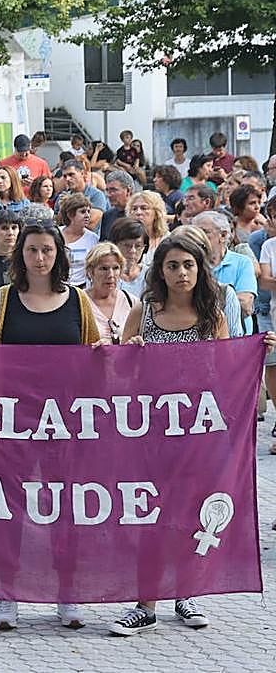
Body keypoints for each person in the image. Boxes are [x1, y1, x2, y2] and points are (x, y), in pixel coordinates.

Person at [109, 233, 243, 636]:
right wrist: (127, 351)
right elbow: (117, 371)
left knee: (190, 513)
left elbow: (225, 373)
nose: (181, 273)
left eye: (188, 265)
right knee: (150, 514)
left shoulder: (212, 316)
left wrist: (257, 350)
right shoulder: (144, 312)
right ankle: (145, 604)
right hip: (149, 432)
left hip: (197, 435)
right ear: (160, 272)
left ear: (200, 269)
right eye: (172, 266)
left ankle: (186, 593)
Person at [0, 223, 99, 631]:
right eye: (32, 250)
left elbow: (95, 357)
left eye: (47, 250)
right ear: (20, 255)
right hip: (12, 424)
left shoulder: (78, 302)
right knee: (8, 508)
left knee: (65, 509)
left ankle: (67, 593)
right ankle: (6, 596)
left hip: (64, 427)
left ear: (58, 254)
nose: (40, 257)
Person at [84, 242, 136, 343]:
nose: (111, 275)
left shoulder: (131, 302)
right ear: (91, 271)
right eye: (104, 268)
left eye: (116, 268)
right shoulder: (79, 301)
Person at [58, 193, 100, 287]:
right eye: (82, 212)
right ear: (70, 214)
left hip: (81, 287)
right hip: (58, 285)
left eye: (89, 211)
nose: (87, 216)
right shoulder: (55, 233)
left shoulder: (93, 239)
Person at [59, 160, 108, 233]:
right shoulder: (62, 196)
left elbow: (91, 223)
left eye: (71, 174)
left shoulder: (96, 195)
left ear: (82, 173)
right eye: (65, 176)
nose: (68, 179)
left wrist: (69, 204)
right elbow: (58, 221)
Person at [109, 218, 149, 297]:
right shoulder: (104, 274)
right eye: (127, 245)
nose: (133, 251)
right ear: (115, 245)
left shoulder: (149, 276)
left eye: (138, 246)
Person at [127, 190, 169, 266]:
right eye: (134, 209)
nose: (138, 212)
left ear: (156, 213)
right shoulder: (124, 239)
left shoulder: (167, 239)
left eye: (144, 208)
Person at [100, 170, 135, 240]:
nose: (108, 195)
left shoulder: (139, 214)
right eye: (107, 190)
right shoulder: (107, 215)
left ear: (128, 191)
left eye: (113, 190)